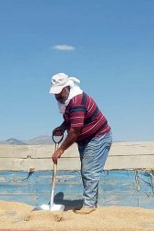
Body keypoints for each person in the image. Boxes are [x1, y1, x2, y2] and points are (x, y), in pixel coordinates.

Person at [48, 73, 112, 214]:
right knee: (86, 170)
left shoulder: (76, 101)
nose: (57, 96)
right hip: (86, 138)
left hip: (98, 136)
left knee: (89, 170)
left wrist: (61, 150)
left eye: (59, 92)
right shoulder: (67, 101)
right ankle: (90, 203)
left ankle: (89, 205)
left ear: (67, 87)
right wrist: (62, 127)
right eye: (55, 93)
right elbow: (72, 120)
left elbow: (75, 130)